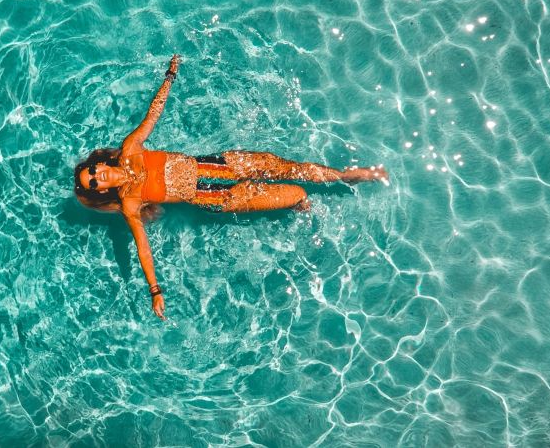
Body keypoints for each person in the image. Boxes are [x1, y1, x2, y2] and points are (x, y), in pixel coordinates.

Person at [75, 55, 388, 320]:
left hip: (221, 165)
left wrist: (169, 76)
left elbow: (152, 116)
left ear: (99, 164)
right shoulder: (130, 203)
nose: (98, 177)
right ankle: (299, 203)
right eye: (94, 183)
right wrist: (155, 290)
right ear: (100, 191)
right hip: (219, 197)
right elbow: (142, 247)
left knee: (286, 167)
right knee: (298, 194)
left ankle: (344, 176)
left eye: (93, 172)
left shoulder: (130, 149)